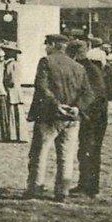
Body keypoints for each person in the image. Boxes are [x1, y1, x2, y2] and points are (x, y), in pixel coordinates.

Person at [24, 33, 94, 202]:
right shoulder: (78, 67)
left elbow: (42, 87)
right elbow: (88, 93)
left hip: (49, 116)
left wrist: (56, 105)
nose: (45, 48)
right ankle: (62, 190)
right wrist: (76, 107)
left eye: (47, 44)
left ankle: (36, 188)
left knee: (40, 153)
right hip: (71, 118)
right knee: (66, 155)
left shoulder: (46, 62)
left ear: (54, 45)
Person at [71, 39, 109, 197]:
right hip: (91, 115)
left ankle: (91, 186)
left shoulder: (89, 69)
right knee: (85, 150)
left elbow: (95, 96)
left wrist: (80, 109)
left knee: (90, 150)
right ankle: (84, 183)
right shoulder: (89, 67)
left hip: (94, 117)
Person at [0, 41, 27, 142]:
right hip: (14, 90)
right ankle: (14, 135)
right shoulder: (10, 64)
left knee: (13, 112)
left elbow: (12, 79)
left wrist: (4, 81)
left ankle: (15, 135)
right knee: (14, 113)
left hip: (12, 90)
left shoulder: (12, 64)